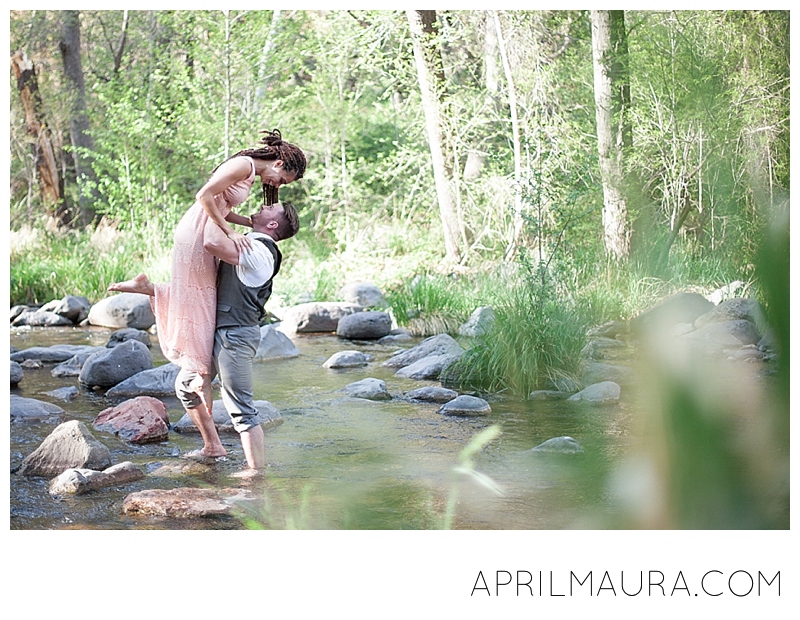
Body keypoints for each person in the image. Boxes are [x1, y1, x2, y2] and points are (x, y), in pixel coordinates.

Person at [108, 130, 306, 459]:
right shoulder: (245, 166)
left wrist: (238, 225)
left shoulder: (259, 235)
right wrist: (232, 227)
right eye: (284, 179)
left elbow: (219, 219)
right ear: (280, 162)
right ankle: (212, 445)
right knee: (199, 308)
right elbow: (206, 197)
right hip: (202, 234)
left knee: (204, 298)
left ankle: (242, 466)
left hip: (215, 263)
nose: (277, 186)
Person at [192, 200, 299, 477]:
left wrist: (228, 226)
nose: (262, 206)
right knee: (187, 387)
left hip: (236, 335)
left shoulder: (260, 250)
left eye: (269, 209)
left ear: (273, 225)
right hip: (222, 328)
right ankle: (212, 446)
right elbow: (219, 212)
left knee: (240, 408)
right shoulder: (252, 239)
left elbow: (212, 243)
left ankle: (256, 473)